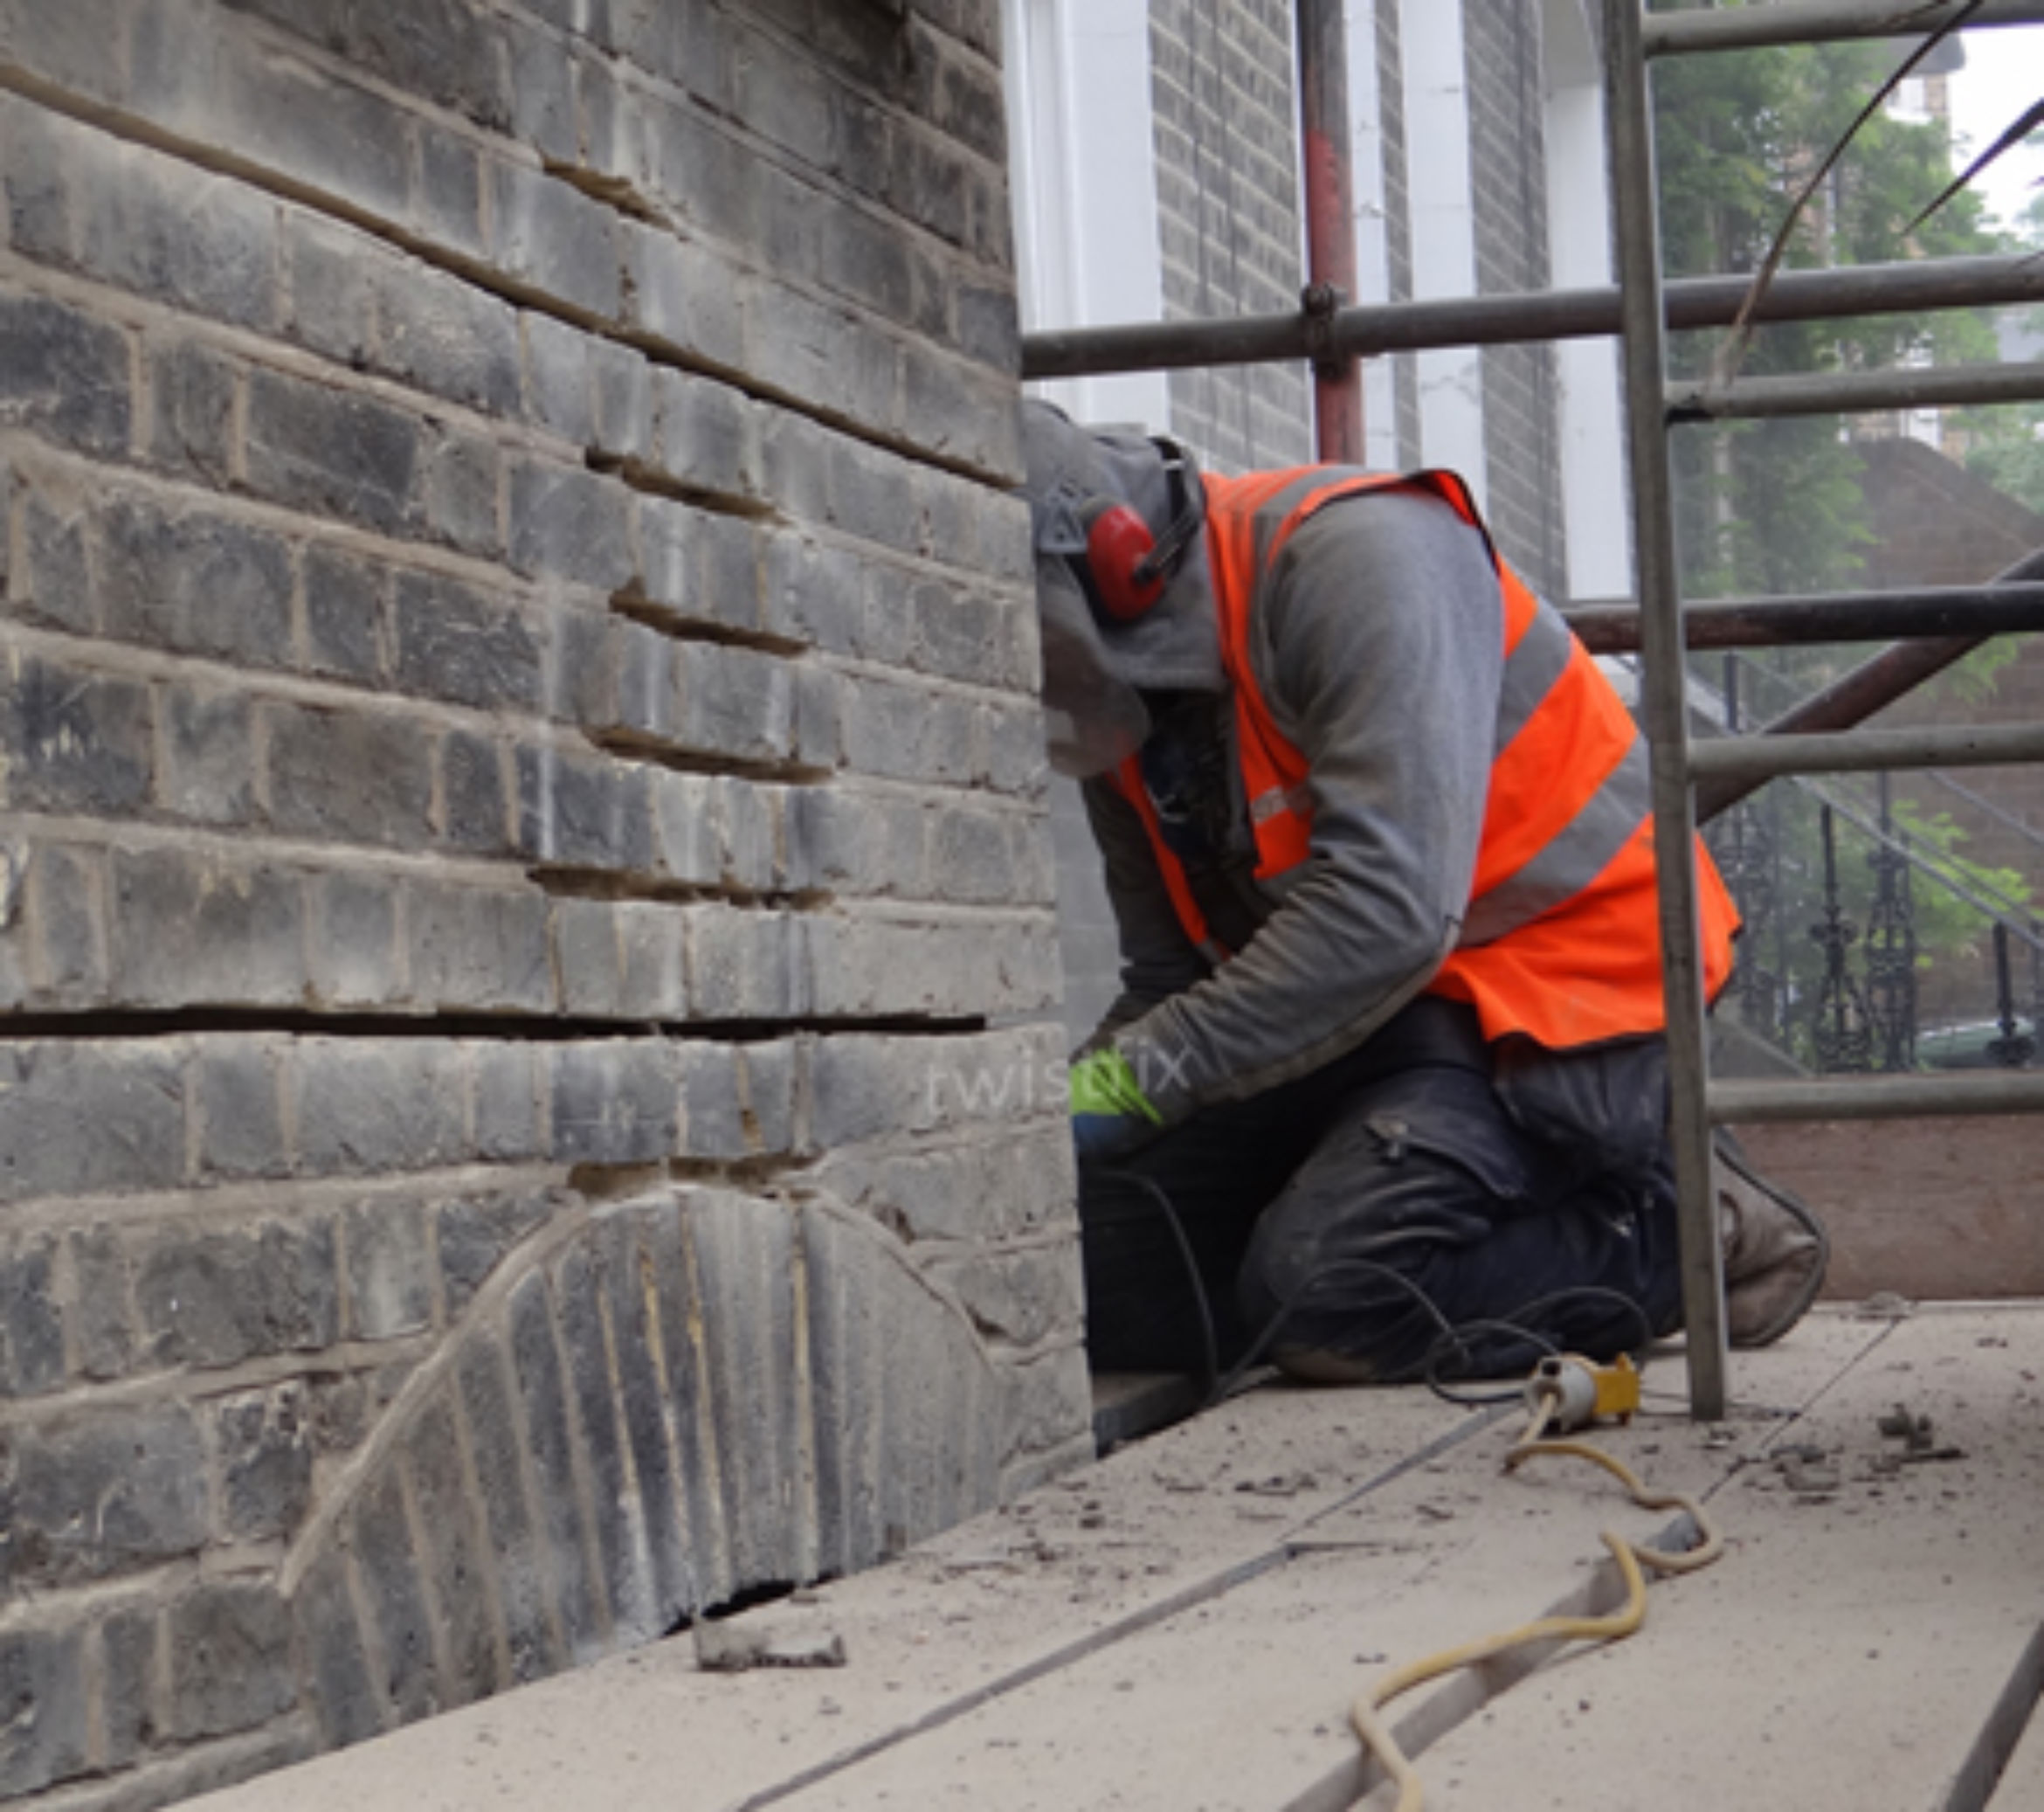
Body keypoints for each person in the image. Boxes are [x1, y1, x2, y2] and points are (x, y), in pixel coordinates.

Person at [1020, 399, 1828, 1386]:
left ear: (1116, 556)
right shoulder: (1130, 703)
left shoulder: (1358, 557)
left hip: (1563, 997)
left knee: (1332, 1295)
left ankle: (1690, 1223)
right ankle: (1330, 1249)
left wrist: (1126, 1084)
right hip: (1369, 1017)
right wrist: (1049, 1130)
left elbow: (1387, 914)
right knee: (1091, 1273)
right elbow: (1168, 974)